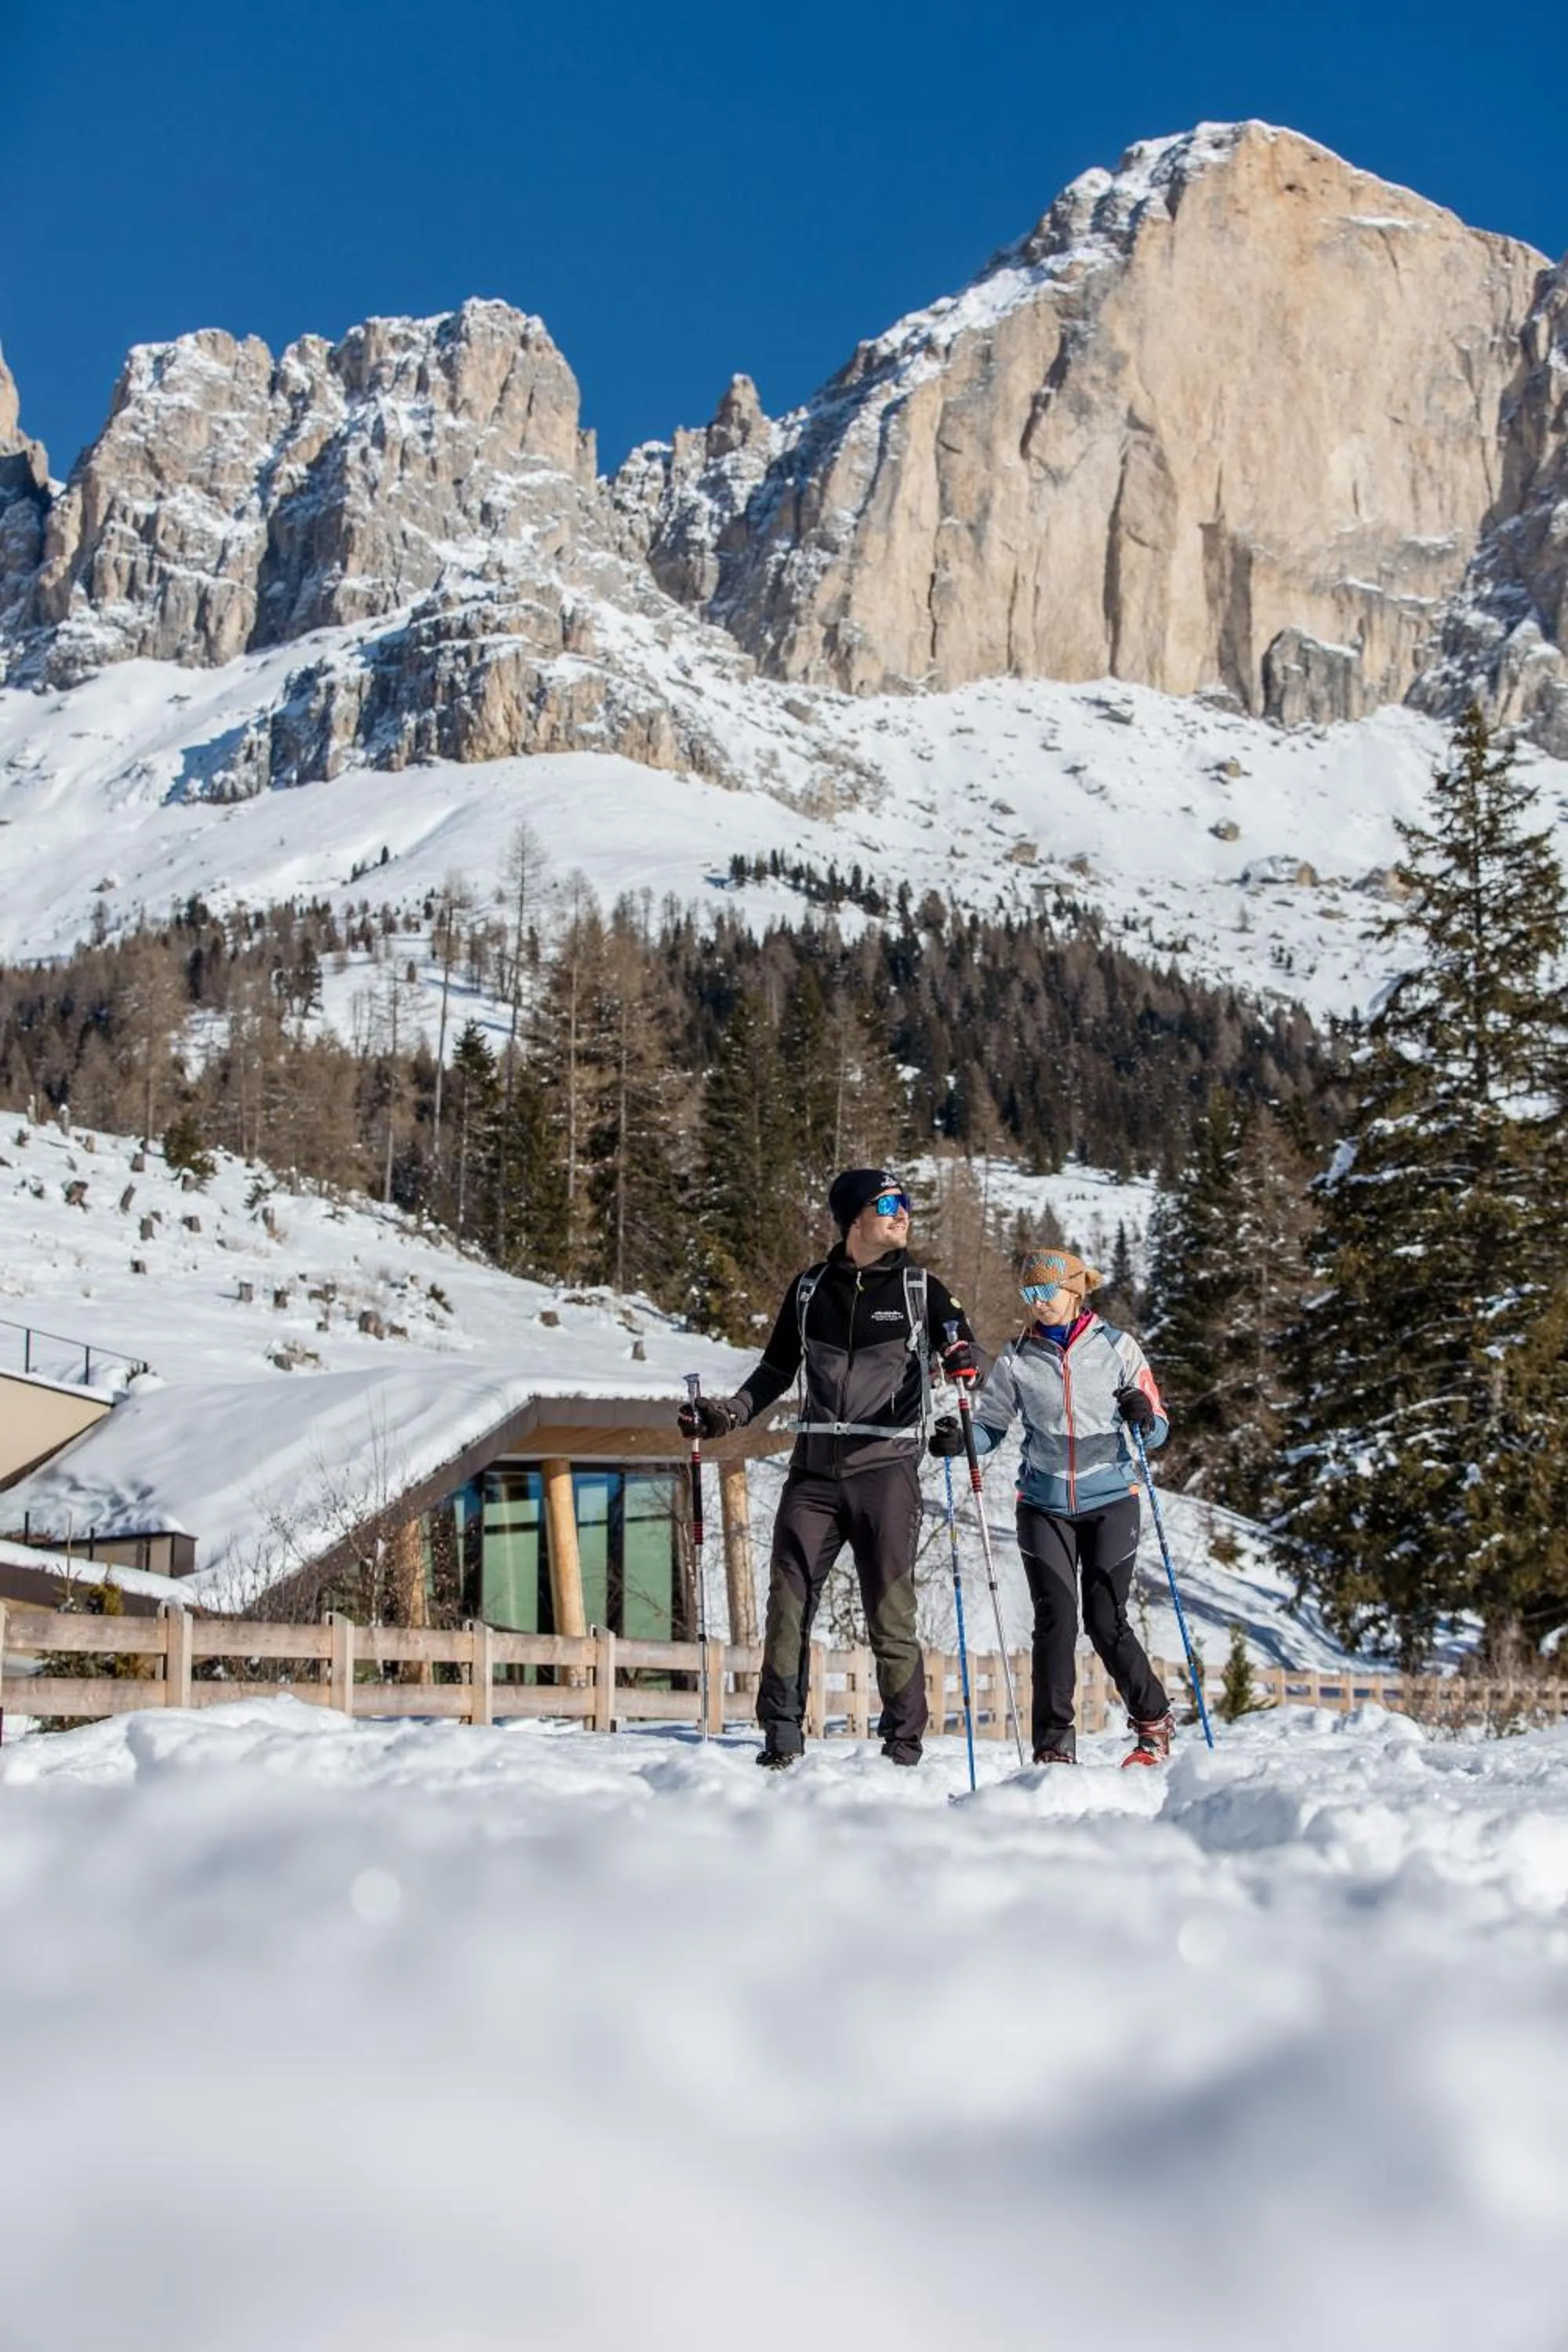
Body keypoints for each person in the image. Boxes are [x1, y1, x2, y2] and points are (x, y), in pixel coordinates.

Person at [678, 1169, 978, 1769]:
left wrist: (964, 1368)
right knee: (786, 1604)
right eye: (889, 1204)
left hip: (886, 1470)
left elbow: (966, 1353)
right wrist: (726, 1416)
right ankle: (781, 1739)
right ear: (853, 1219)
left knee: (890, 1614)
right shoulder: (810, 1289)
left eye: (906, 1204)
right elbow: (774, 1370)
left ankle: (902, 1747)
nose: (903, 1214)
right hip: (813, 1475)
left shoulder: (922, 1290)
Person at [931, 1245, 1173, 1768]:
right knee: (1055, 1621)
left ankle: (1153, 1721)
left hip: (1110, 1498)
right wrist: (962, 1439)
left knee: (1105, 1620)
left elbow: (1156, 1427)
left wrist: (1141, 1414)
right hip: (1042, 1503)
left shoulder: (1116, 1347)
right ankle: (1053, 1745)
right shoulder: (1018, 1355)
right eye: (1029, 1293)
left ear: (1074, 1291)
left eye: (1046, 1291)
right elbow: (992, 1424)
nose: (1037, 1302)